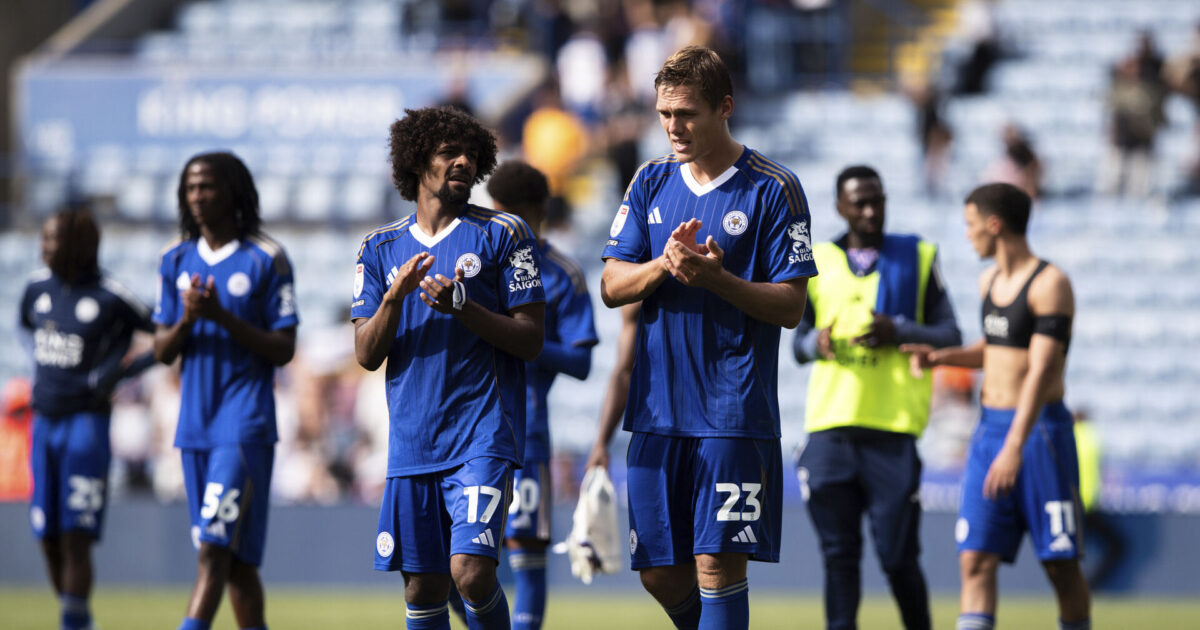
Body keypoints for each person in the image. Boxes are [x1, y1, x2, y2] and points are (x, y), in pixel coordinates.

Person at [599, 46, 817, 629]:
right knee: (658, 571)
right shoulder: (648, 181)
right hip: (655, 410)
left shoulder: (774, 189)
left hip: (731, 409)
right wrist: (663, 267)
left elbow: (792, 306)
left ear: (725, 107)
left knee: (716, 563)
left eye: (687, 113)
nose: (674, 127)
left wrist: (718, 279)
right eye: (664, 113)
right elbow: (612, 285)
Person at [351, 106, 545, 630]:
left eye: (471, 155)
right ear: (418, 161)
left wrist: (466, 308)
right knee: (422, 585)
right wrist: (394, 298)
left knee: (472, 571)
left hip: (483, 434)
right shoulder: (378, 249)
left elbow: (531, 340)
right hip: (413, 441)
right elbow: (366, 354)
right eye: (448, 153)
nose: (462, 162)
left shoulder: (505, 234)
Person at [904, 183, 1090, 630]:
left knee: (1060, 566)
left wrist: (1014, 444)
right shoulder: (989, 281)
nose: (966, 235)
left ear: (994, 224)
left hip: (1038, 434)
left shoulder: (1051, 284)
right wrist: (942, 357)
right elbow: (998, 349)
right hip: (989, 431)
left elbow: (1041, 371)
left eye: (970, 225)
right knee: (975, 560)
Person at [793, 165, 961, 630]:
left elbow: (951, 335)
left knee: (897, 557)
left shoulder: (917, 256)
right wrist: (816, 345)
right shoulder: (817, 258)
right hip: (830, 430)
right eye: (859, 203)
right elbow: (797, 341)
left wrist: (899, 330)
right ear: (840, 207)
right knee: (839, 558)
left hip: (892, 431)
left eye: (877, 200)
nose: (870, 211)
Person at [153, 152, 299, 630]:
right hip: (194, 427)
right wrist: (189, 319)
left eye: (207, 187)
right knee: (236, 564)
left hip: (244, 424)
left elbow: (283, 348)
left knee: (215, 548)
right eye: (190, 188)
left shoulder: (266, 258)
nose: (197, 197)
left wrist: (222, 318)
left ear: (233, 191)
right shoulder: (174, 259)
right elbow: (162, 350)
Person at [18, 208, 155, 630]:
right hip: (44, 424)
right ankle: (78, 619)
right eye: (43, 239)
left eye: (51, 239)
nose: (44, 247)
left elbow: (167, 333)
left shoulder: (110, 295)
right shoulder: (36, 289)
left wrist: (121, 371)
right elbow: (26, 329)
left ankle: (72, 622)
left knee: (76, 536)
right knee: (47, 534)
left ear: (79, 245)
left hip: (86, 426)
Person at [486, 160, 598, 630]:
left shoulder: (561, 275)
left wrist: (521, 339)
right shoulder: (475, 261)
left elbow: (580, 361)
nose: (497, 224)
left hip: (526, 432)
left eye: (505, 213)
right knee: (448, 562)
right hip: (461, 425)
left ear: (534, 213)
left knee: (526, 553)